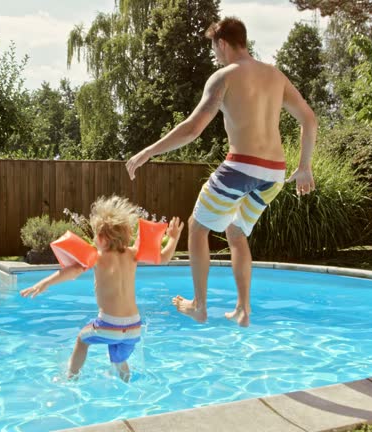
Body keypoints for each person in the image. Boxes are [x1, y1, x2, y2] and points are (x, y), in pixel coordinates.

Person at [125, 17, 317, 327]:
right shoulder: (276, 76)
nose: (215, 54)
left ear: (223, 43)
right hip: (274, 175)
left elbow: (192, 128)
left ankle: (199, 305)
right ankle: (243, 308)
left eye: (214, 48)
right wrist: (304, 166)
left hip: (241, 167)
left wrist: (149, 151)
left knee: (197, 227)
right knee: (236, 232)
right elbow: (310, 119)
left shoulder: (223, 77)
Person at [20, 196, 184, 381]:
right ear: (127, 234)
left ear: (101, 238)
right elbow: (163, 258)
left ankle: (71, 378)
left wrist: (43, 283)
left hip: (108, 325)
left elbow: (72, 272)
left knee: (82, 340)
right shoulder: (133, 254)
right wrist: (173, 238)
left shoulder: (97, 257)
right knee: (118, 359)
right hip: (134, 328)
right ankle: (125, 382)